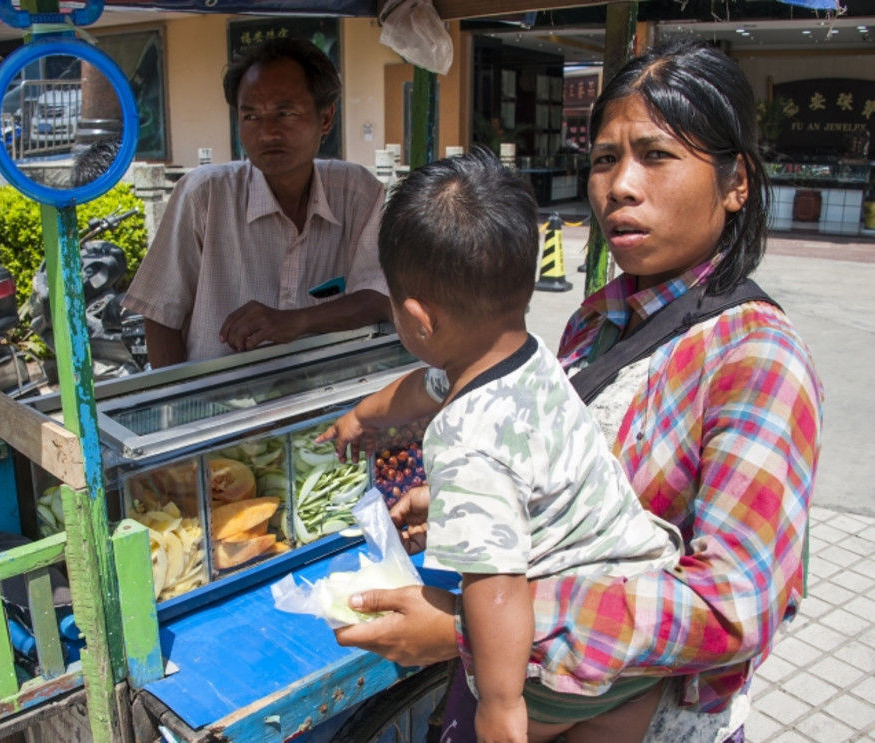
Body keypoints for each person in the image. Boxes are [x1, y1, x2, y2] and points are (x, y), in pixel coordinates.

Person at [329, 40, 823, 742]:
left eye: (655, 156)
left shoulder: (756, 357)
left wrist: (478, 625)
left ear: (735, 180)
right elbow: (568, 470)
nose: (619, 185)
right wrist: (465, 500)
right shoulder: (599, 319)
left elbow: (734, 606)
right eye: (603, 159)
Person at [321, 148, 686, 743]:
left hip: (562, 662)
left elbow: (496, 592)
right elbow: (423, 387)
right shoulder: (525, 355)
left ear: (416, 317)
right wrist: (363, 416)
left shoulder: (464, 441)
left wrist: (499, 708)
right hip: (637, 618)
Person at [122, 38, 390, 367]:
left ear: (325, 119)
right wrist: (177, 405)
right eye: (251, 117)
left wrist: (296, 321)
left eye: (285, 113)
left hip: (321, 396)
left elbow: (380, 297)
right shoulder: (204, 195)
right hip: (217, 402)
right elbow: (160, 315)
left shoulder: (356, 192)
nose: (267, 133)